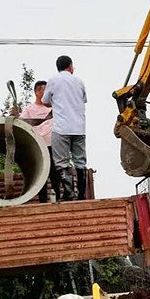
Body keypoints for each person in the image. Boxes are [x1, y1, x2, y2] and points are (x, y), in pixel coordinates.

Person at [42, 55, 88, 201]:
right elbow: (84, 100)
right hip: (79, 128)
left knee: (61, 162)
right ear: (70, 65)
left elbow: (45, 101)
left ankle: (69, 192)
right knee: (80, 161)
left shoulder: (53, 81)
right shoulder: (79, 81)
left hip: (61, 128)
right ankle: (81, 194)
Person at [18, 80, 61, 203]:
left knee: (55, 173)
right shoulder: (29, 109)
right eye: (45, 91)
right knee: (41, 174)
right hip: (38, 146)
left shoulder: (54, 108)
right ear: (37, 92)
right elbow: (21, 123)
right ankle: (42, 201)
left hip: (53, 145)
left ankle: (58, 199)